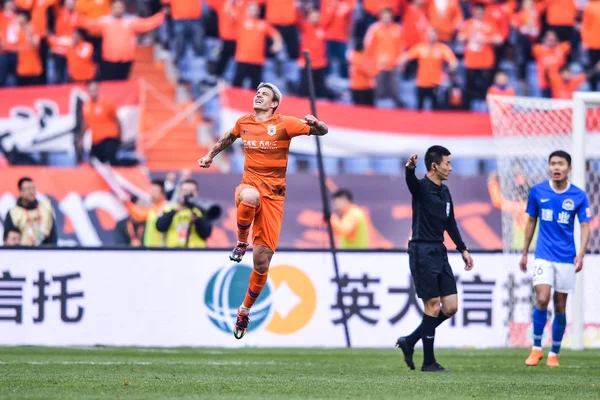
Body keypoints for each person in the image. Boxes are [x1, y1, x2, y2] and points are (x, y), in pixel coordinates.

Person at [197, 82, 328, 339]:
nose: (258, 95)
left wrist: (316, 123)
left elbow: (322, 131)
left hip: (275, 199)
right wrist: (209, 155)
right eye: (257, 93)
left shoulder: (285, 124)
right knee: (249, 195)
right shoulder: (243, 122)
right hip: (250, 186)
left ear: (274, 103)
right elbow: (227, 138)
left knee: (262, 262)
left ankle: (244, 311)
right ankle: (240, 242)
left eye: (264, 94)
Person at [396, 146, 474, 372]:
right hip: (421, 250)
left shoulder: (445, 191)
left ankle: (409, 341)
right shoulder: (421, 187)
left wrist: (463, 249)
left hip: (439, 251)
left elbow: (450, 222)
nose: (450, 167)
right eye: (447, 163)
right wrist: (409, 169)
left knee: (450, 307)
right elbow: (410, 181)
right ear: (434, 165)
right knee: (432, 305)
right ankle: (428, 362)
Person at [520, 150, 591, 367]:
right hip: (543, 255)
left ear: (569, 168)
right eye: (552, 164)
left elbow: (585, 226)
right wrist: (524, 251)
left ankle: (554, 352)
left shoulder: (579, 196)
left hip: (566, 257)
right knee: (542, 298)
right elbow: (531, 221)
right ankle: (536, 349)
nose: (556, 168)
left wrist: (581, 253)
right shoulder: (538, 191)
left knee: (560, 305)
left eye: (560, 164)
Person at [155, 179, 213, 248]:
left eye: (191, 191)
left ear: (196, 193)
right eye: (185, 191)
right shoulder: (169, 209)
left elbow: (206, 233)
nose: (188, 194)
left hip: (197, 253)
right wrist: (173, 212)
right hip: (173, 253)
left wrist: (198, 220)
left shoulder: (202, 210)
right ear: (179, 192)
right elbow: (160, 227)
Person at [3, 177, 57, 246]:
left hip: (45, 252)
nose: (32, 192)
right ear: (21, 192)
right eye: (28, 189)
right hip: (23, 252)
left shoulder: (46, 208)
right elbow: (8, 239)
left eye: (33, 188)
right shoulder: (13, 213)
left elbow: (53, 235)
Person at [81, 80, 121, 165]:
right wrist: (81, 138)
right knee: (94, 163)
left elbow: (117, 120)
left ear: (98, 90)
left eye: (95, 90)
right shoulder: (86, 105)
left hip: (109, 138)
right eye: (91, 90)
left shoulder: (107, 104)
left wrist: (120, 136)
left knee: (112, 161)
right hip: (96, 141)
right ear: (87, 91)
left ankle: (130, 167)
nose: (93, 93)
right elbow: (86, 123)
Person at [123, 180, 168, 247]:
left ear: (162, 193)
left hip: (160, 247)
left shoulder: (164, 208)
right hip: (150, 246)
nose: (152, 193)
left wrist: (127, 204)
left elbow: (140, 215)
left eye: (155, 191)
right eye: (151, 191)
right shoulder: (152, 206)